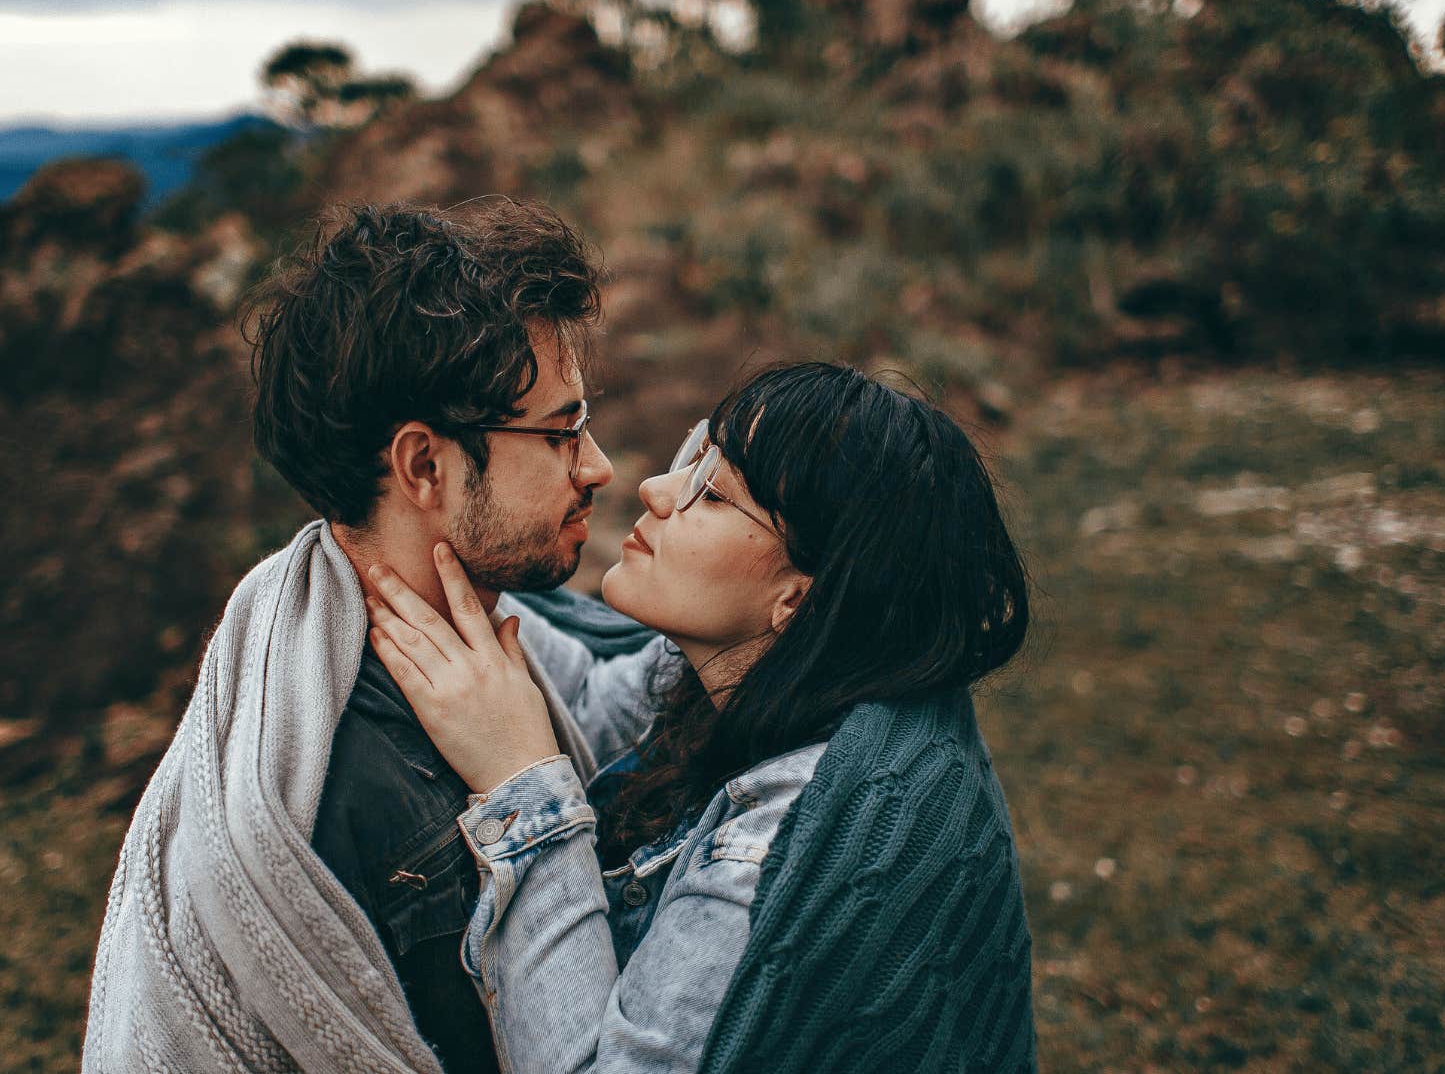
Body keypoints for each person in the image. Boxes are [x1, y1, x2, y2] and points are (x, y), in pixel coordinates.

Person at [81, 198, 672, 1073]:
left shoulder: (497, 636)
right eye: (559, 433)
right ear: (424, 466)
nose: (598, 467)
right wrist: (525, 782)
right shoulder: (372, 794)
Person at [365, 361, 1038, 1072]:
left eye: (712, 493)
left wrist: (522, 781)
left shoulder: (777, 851)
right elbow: (592, 698)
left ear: (799, 599)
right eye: (695, 457)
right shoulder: (750, 676)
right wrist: (425, 549)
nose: (656, 489)